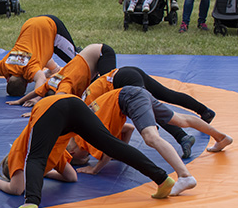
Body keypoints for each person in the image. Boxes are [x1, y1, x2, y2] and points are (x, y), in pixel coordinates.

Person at [0, 94, 177, 208]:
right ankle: (162, 178)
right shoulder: (53, 156)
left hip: (50, 108)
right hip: (73, 104)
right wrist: (43, 174)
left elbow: (16, 188)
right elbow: (71, 176)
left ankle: (31, 202)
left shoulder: (17, 152)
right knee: (112, 145)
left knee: (35, 157)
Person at [69, 86, 232, 197]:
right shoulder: (84, 127)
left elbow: (108, 147)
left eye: (85, 156)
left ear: (73, 151)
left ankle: (185, 176)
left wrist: (95, 169)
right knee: (180, 120)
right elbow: (128, 129)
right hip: (134, 93)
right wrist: (122, 152)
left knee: (151, 137)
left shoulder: (85, 135)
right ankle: (221, 137)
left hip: (129, 97)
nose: (89, 155)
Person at [83, 66, 215, 158]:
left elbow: (105, 125)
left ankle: (182, 137)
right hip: (126, 73)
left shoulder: (88, 107)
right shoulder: (84, 102)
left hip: (123, 79)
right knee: (167, 95)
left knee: (148, 110)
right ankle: (204, 111)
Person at [0, 15, 77, 96]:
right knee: (37, 53)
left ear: (26, 83)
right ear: (8, 79)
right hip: (30, 23)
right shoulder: (5, 65)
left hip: (50, 25)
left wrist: (36, 98)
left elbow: (41, 79)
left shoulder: (29, 69)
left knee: (77, 61)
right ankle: (54, 69)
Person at [6, 43, 116, 109]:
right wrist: (19, 101)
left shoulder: (65, 85)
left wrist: (39, 112)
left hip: (101, 53)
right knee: (94, 90)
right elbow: (36, 92)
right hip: (90, 55)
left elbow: (57, 101)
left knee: (108, 85)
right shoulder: (52, 82)